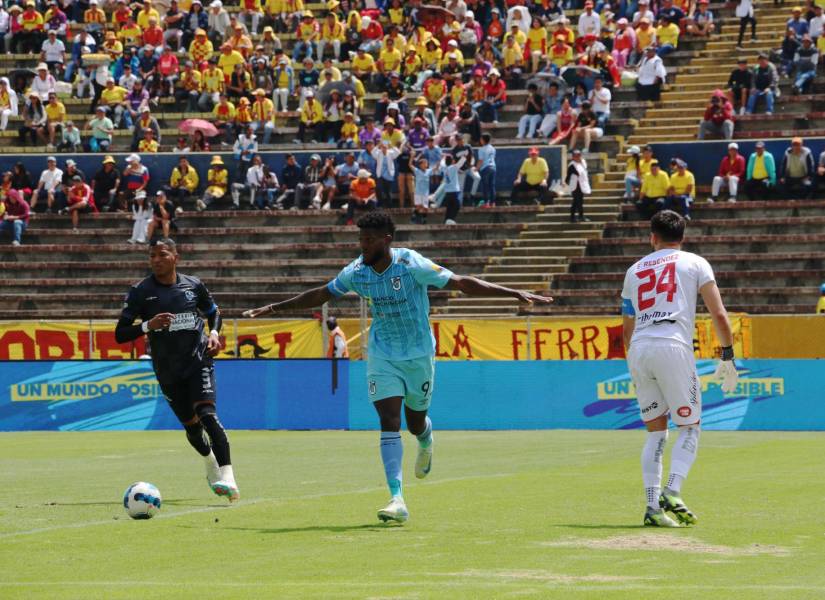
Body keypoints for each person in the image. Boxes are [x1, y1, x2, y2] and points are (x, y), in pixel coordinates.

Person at [241, 212, 551, 523]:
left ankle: (426, 438)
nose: (363, 245)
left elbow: (460, 282)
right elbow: (322, 293)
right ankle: (396, 497)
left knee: (414, 422)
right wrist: (274, 307)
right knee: (389, 420)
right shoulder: (356, 272)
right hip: (382, 355)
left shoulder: (410, 264)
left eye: (369, 240)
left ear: (387, 240)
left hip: (418, 354)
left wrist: (511, 292)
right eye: (361, 239)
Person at [621, 210, 737, 527]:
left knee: (656, 433)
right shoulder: (696, 263)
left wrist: (635, 360)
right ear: (682, 238)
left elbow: (626, 327)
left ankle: (651, 508)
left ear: (652, 237)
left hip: (639, 349)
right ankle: (672, 490)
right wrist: (727, 354)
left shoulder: (634, 270)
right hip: (673, 344)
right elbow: (720, 314)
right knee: (690, 426)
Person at [115, 238, 239, 502]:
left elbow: (214, 312)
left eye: (161, 254)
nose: (156, 260)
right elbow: (120, 334)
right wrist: (149, 325)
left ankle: (228, 477)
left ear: (175, 257)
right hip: (168, 370)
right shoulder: (140, 291)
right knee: (193, 429)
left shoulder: (193, 285)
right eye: (152, 256)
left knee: (207, 414)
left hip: (198, 360)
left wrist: (214, 332)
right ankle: (210, 464)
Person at [476, 133, 497, 208]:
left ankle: (486, 203)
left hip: (485, 168)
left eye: (481, 139)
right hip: (493, 167)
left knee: (485, 186)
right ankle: (493, 203)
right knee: (492, 186)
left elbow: (480, 161)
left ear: (483, 140)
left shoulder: (481, 149)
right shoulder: (493, 148)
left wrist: (476, 168)